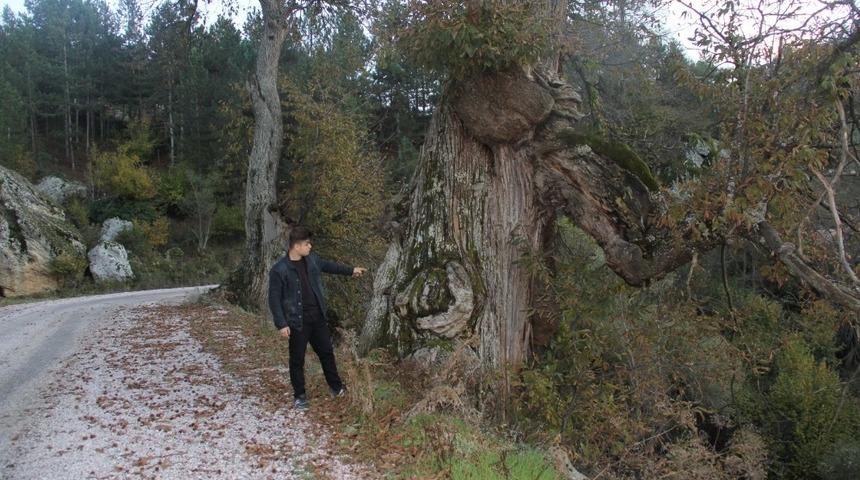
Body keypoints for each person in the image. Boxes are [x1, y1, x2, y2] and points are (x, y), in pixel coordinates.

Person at [267, 226, 367, 410]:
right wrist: (281, 323)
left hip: (317, 318)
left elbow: (329, 266)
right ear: (296, 246)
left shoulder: (311, 260)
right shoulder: (279, 270)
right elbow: (274, 299)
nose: (310, 246)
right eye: (307, 244)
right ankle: (299, 396)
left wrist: (351, 270)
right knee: (297, 359)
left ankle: (336, 388)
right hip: (297, 322)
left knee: (327, 353)